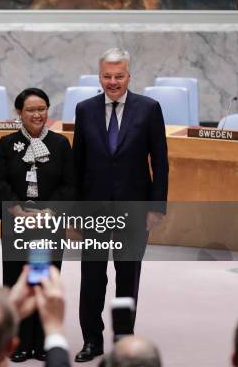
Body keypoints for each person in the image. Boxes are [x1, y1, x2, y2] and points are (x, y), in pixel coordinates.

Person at [72, 48, 169, 362]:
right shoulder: (84, 109)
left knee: (127, 277)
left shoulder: (149, 109)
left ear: (129, 76)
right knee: (92, 278)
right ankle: (91, 340)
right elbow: (77, 164)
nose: (113, 82)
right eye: (107, 76)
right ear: (99, 76)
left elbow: (161, 162)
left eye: (119, 76)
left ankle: (124, 340)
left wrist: (156, 207)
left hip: (134, 210)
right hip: (93, 210)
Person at [0, 87, 76, 362]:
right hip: (17, 221)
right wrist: (18, 211)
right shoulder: (7, 143)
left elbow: (69, 185)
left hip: (50, 222)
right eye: (30, 110)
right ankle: (19, 342)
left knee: (44, 280)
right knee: (17, 281)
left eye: (42, 109)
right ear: (19, 113)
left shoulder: (60, 144)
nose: (37, 115)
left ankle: (42, 341)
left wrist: (49, 211)